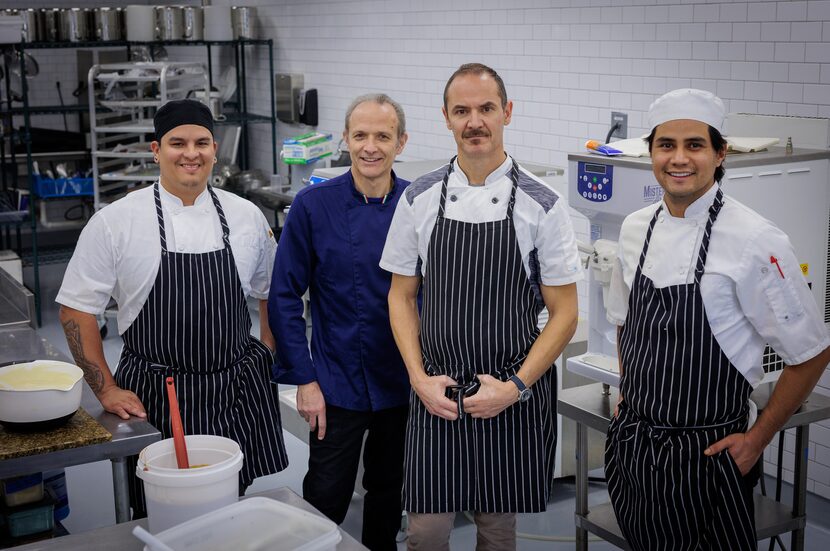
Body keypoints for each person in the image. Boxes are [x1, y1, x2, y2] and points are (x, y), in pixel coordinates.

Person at [604, 88, 830, 550]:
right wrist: (629, 396)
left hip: (711, 458)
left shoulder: (755, 240)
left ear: (719, 152)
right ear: (651, 152)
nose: (679, 158)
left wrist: (756, 440)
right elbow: (626, 322)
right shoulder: (634, 227)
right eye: (666, 145)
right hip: (636, 448)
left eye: (694, 145)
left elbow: (811, 351)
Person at [381, 63, 581, 550]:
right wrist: (418, 379)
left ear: (507, 113)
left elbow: (565, 313)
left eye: (486, 108)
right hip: (437, 392)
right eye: (462, 110)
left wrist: (515, 387)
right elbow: (401, 295)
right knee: (425, 532)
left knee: (497, 529)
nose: (475, 121)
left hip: (507, 393)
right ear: (446, 118)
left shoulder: (544, 204)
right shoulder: (419, 197)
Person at [57, 99, 288, 513]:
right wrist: (105, 387)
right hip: (158, 395)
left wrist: (268, 345)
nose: (191, 153)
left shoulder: (246, 215)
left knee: (233, 501)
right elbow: (75, 309)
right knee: (160, 506)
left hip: (234, 389)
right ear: (155, 150)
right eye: (177, 142)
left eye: (201, 142)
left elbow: (270, 289)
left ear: (215, 149)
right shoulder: (116, 221)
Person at [269, 93, 410, 550]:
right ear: (345, 140)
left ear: (401, 142)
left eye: (382, 136)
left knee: (389, 493)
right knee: (325, 496)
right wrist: (304, 380)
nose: (371, 147)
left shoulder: (419, 204)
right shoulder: (313, 205)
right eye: (361, 135)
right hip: (337, 383)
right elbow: (285, 296)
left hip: (404, 381)